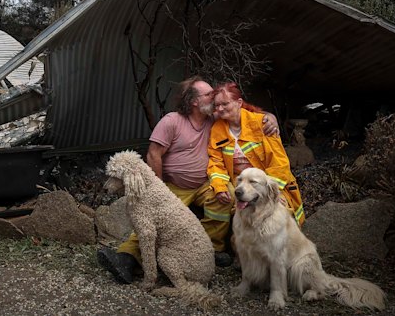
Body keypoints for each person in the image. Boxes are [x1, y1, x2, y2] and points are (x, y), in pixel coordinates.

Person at [97, 76, 278, 284]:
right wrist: (159, 187)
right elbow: (153, 154)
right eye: (209, 94)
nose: (214, 97)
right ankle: (125, 259)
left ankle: (212, 250)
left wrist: (269, 116)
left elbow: (242, 111)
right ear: (194, 101)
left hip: (204, 184)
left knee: (223, 198)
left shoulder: (215, 119)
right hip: (173, 186)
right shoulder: (172, 121)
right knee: (151, 220)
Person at [207, 82, 305, 227]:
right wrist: (220, 186)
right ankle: (216, 246)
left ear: (239, 102)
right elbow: (216, 162)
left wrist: (270, 190)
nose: (220, 109)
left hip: (267, 180)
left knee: (278, 209)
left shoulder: (261, 123)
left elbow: (279, 163)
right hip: (237, 180)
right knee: (217, 201)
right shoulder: (217, 129)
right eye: (217, 105)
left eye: (225, 104)